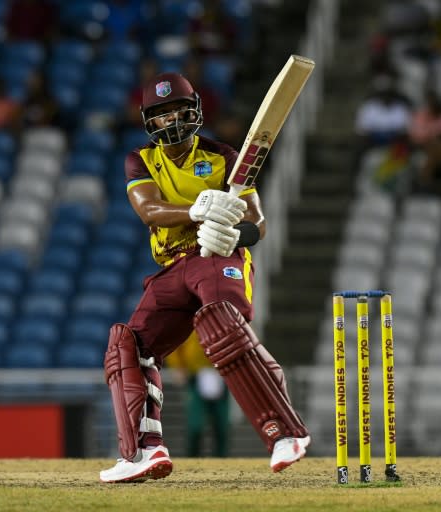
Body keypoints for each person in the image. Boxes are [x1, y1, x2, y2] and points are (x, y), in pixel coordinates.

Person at [99, 71, 310, 483]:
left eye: (179, 109)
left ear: (194, 111)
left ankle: (285, 433)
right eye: (162, 114)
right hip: (173, 265)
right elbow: (149, 210)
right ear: (149, 121)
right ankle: (144, 450)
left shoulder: (224, 156)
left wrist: (235, 231)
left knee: (221, 321)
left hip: (218, 255)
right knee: (128, 344)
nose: (172, 119)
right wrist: (198, 209)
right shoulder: (140, 160)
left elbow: (258, 221)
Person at [165, 331, 230, 458]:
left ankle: (222, 461)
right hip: (195, 376)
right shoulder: (188, 315)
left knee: (222, 426)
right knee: (195, 425)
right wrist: (177, 365)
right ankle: (192, 459)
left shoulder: (227, 313)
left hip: (222, 374)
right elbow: (175, 337)